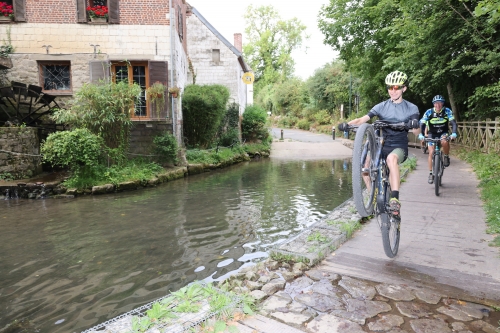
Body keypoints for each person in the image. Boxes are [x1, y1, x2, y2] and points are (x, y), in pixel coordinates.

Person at [340, 71, 420, 216]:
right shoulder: (381, 106)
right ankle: (374, 197)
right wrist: (346, 124)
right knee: (365, 168)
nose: (393, 91)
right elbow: (361, 120)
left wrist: (415, 125)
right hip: (381, 144)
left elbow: (416, 132)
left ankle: (395, 200)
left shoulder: (411, 108)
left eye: (396, 87)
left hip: (398, 145)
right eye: (390, 87)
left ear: (404, 88)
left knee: (391, 159)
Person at [418, 95, 457, 184]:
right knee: (431, 153)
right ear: (433, 104)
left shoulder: (447, 111)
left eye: (440, 103)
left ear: (443, 104)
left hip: (443, 133)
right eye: (436, 103)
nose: (438, 105)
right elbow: (422, 124)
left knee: (444, 141)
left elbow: (453, 123)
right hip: (432, 133)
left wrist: (454, 133)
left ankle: (446, 156)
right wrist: (421, 134)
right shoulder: (429, 112)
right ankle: (431, 173)